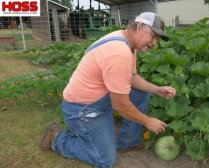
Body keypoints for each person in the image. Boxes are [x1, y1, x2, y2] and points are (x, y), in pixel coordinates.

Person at [40, 12, 176, 168]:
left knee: (140, 94)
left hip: (97, 98)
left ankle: (127, 142)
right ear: (139, 27)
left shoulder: (127, 42)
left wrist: (157, 89)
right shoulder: (119, 53)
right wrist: (148, 121)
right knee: (105, 160)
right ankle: (57, 138)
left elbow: (131, 78)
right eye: (152, 36)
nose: (153, 43)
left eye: (157, 39)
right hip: (82, 110)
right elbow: (120, 105)